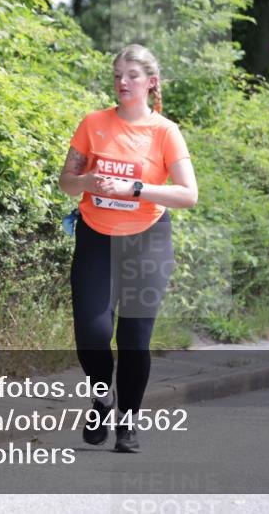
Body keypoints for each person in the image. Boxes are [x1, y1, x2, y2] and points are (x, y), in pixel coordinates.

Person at [58, 44, 198, 453]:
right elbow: (67, 180)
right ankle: (102, 398)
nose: (122, 82)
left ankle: (128, 424)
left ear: (151, 82)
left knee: (135, 338)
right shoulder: (93, 123)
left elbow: (188, 194)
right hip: (96, 237)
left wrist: (134, 188)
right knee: (92, 334)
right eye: (118, 74)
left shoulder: (165, 132)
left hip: (147, 240)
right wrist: (87, 183)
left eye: (132, 75)